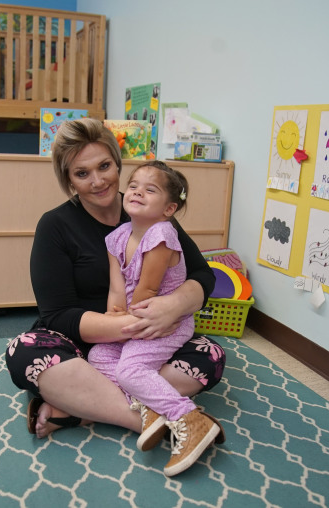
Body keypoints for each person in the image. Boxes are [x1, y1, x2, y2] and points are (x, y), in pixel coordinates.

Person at [4, 117, 226, 468]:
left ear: (117, 163)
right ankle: (164, 418)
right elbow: (57, 314)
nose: (98, 181)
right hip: (87, 342)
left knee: (210, 356)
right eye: (82, 173)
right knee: (25, 353)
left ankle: (79, 409)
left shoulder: (152, 210)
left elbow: (202, 274)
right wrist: (131, 324)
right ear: (68, 181)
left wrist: (175, 305)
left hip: (151, 337)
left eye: (105, 166)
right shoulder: (55, 226)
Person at [88, 160, 223, 476]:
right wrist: (114, 321)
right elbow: (117, 292)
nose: (137, 192)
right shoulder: (118, 236)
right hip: (135, 318)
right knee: (97, 355)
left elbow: (147, 291)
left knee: (131, 370)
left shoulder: (162, 234)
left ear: (169, 208)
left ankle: (191, 419)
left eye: (150, 190)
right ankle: (149, 406)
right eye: (133, 185)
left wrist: (127, 327)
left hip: (165, 323)